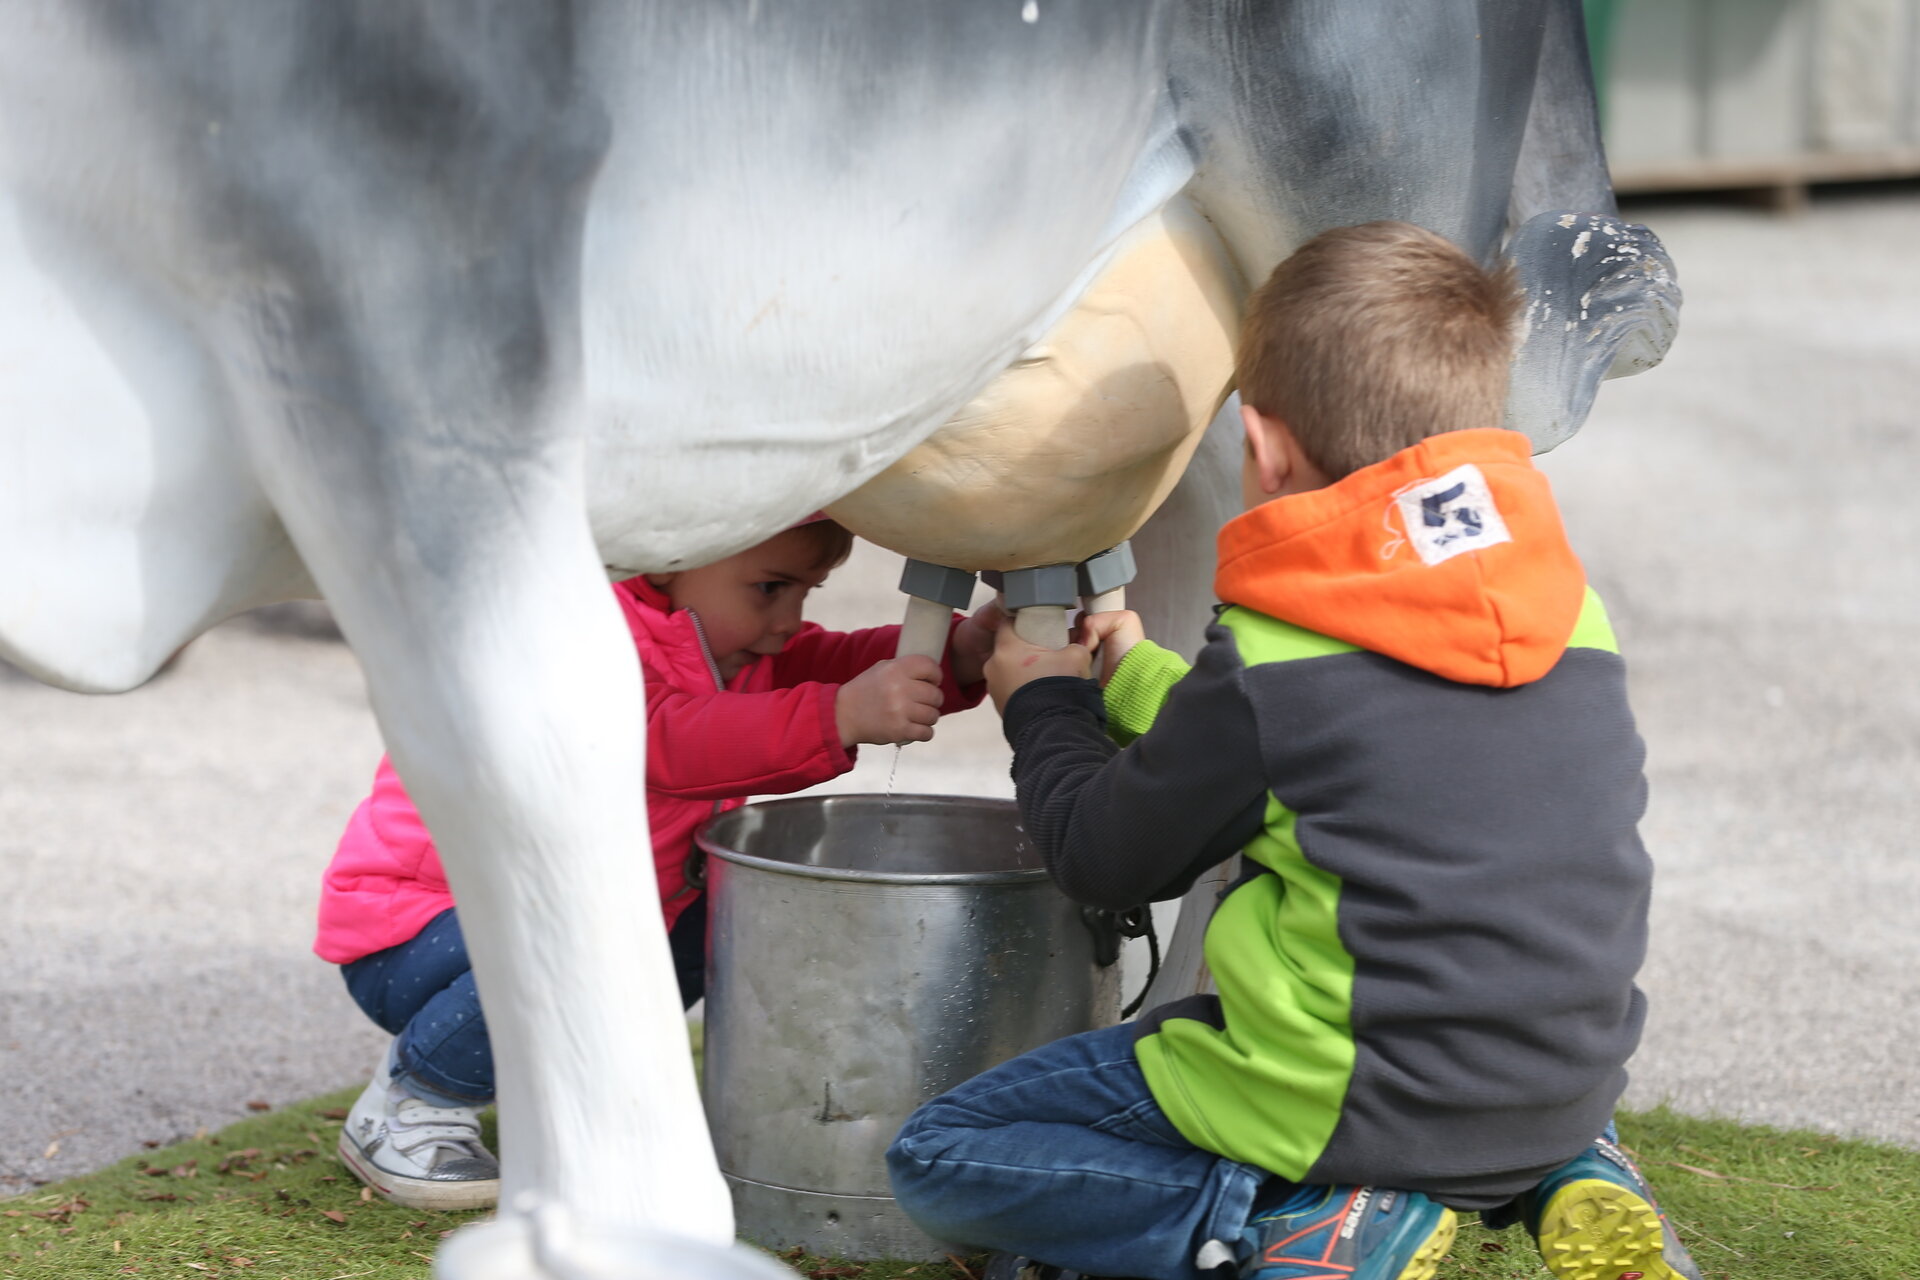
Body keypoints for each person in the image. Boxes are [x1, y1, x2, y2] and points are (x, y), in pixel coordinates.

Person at [887, 222, 1702, 1280]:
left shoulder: (1277, 658)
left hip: (1351, 1098)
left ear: (1263, 445)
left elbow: (1103, 855)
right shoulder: (1568, 611)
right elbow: (1337, 754)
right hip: (1562, 1077)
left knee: (942, 1154)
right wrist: (1135, 679)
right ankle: (1569, 1162)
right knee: (1478, 1011)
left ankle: (1297, 1217)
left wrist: (1043, 706)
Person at [318, 516, 995, 1210]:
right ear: (671, 556)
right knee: (581, 939)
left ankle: (567, 1094)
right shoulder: (578, 632)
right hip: (418, 926)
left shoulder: (731, 646)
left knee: (715, 920)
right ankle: (412, 1101)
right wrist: (840, 716)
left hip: (574, 919)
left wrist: (958, 653)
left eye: (806, 591)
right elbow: (662, 739)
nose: (789, 620)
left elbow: (828, 663)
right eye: (770, 588)